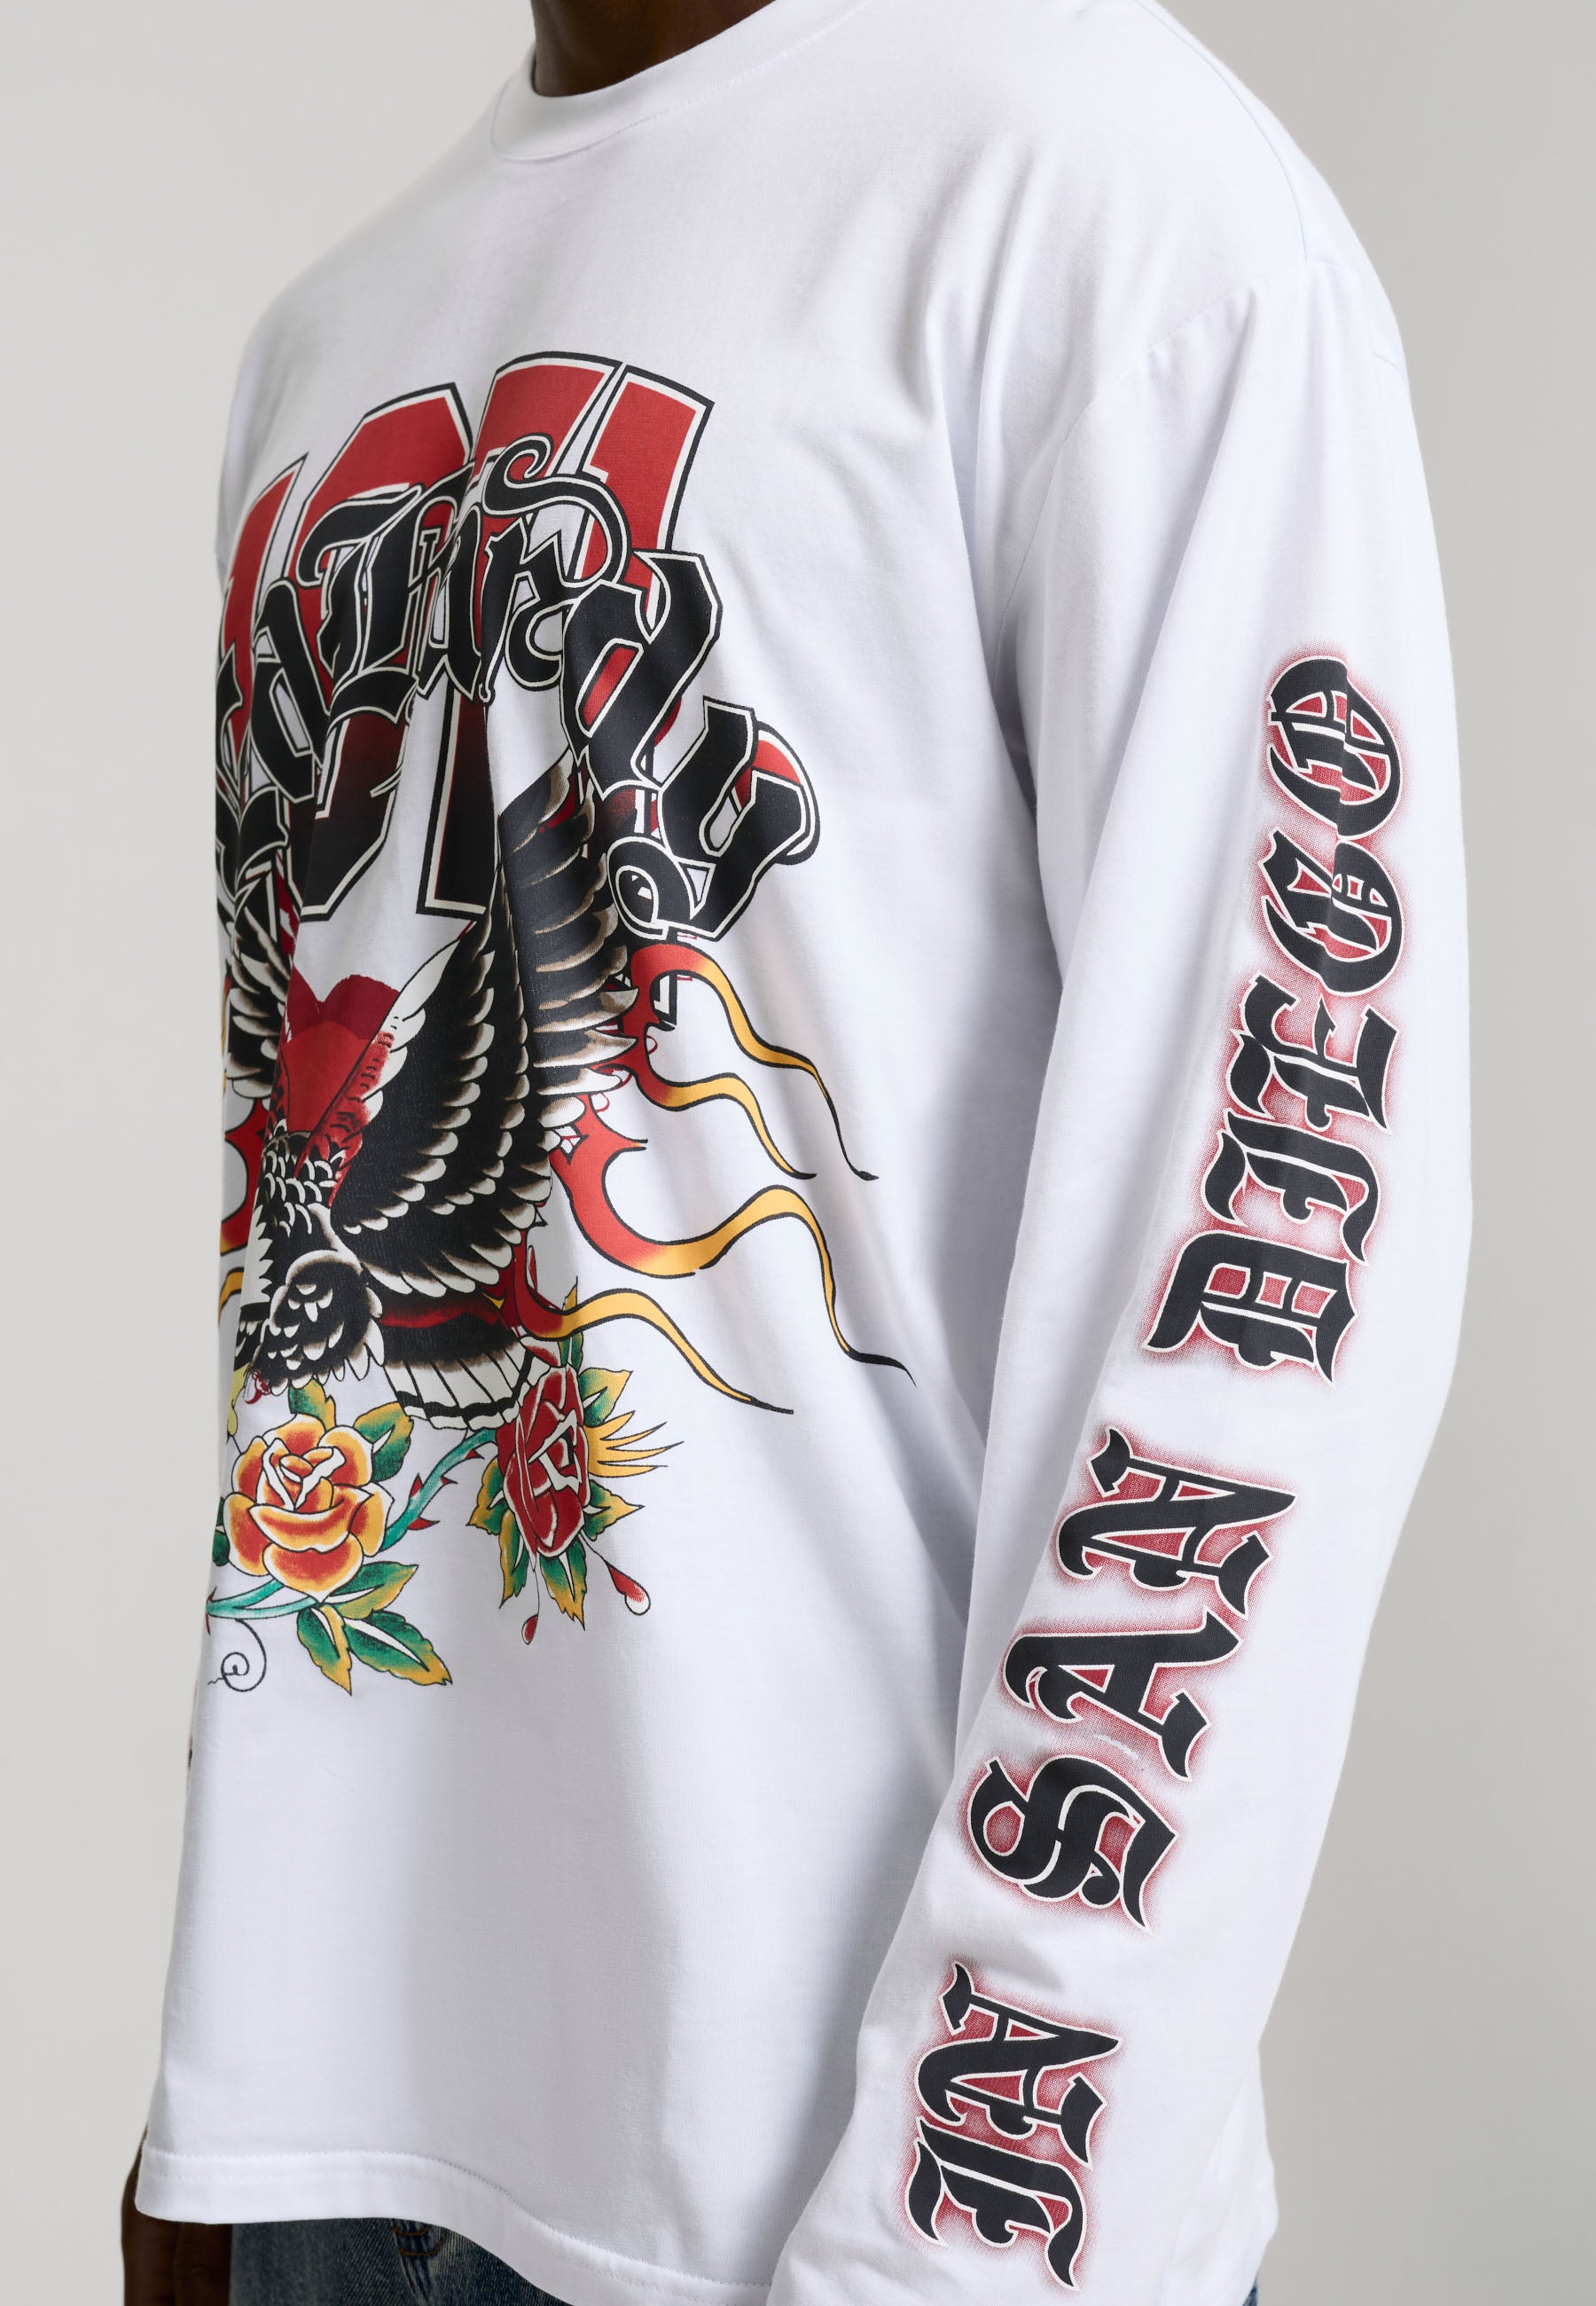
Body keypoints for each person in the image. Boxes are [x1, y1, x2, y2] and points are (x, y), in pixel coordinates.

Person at [124, 0, 1469, 2301]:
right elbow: (310, 1328)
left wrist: (982, 2221)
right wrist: (219, 2102)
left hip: (860, 2196)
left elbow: (1273, 1262)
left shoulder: (1116, 198)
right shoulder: (329, 340)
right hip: (332, 2185)